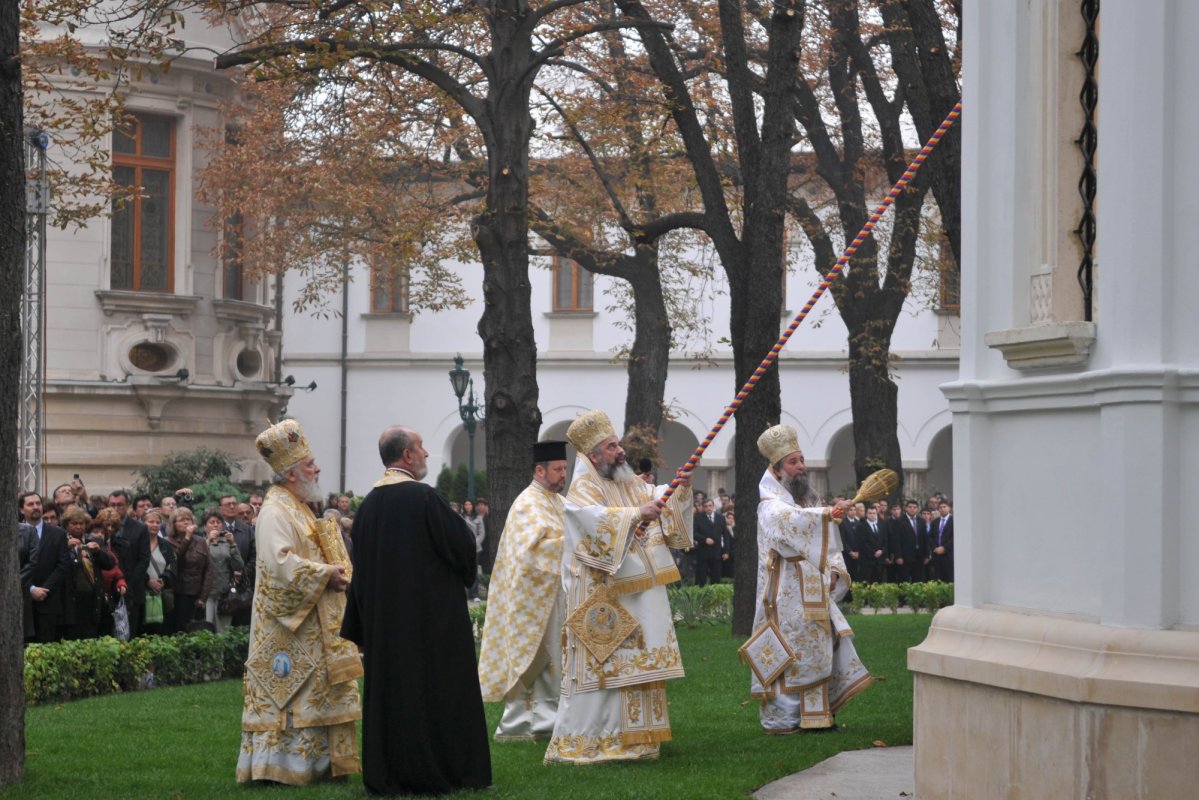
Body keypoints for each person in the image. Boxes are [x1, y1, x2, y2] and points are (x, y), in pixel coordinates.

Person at [340, 426, 491, 795]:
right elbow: (462, 544)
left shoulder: (368, 507)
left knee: (393, 696)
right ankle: (444, 769)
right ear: (407, 456)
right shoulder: (423, 498)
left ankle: (389, 772)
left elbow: (359, 571)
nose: (425, 454)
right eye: (421, 448)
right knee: (433, 694)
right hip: (429, 624)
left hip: (386, 628)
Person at [545, 410, 693, 764]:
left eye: (618, 444)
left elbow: (653, 495)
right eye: (611, 447)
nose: (620, 452)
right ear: (593, 455)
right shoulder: (584, 486)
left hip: (633, 592)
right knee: (604, 665)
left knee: (635, 662)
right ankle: (589, 742)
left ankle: (638, 740)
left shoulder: (625, 480)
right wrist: (635, 515)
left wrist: (680, 487)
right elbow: (587, 519)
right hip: (602, 593)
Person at [237, 419, 362, 786]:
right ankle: (283, 768)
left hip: (313, 622)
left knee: (318, 693)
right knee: (293, 695)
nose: (317, 468)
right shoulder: (276, 510)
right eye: (310, 464)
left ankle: (322, 766)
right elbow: (278, 564)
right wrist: (326, 574)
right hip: (289, 628)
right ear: (291, 474)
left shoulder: (299, 506)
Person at [746, 424, 871, 733]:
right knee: (790, 650)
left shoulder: (809, 502)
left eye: (801, 459)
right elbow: (794, 524)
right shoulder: (770, 506)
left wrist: (834, 572)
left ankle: (818, 716)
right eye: (792, 462)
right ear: (777, 471)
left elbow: (825, 541)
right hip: (783, 594)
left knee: (819, 647)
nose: (800, 466)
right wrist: (830, 513)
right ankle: (784, 718)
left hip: (813, 589)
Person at [477, 440, 569, 741]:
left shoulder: (555, 501)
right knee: (537, 658)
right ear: (539, 470)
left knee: (556, 659)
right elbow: (529, 553)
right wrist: (572, 543)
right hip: (533, 597)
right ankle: (526, 724)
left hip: (552, 593)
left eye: (565, 469)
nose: (563, 475)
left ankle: (553, 720)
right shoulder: (528, 502)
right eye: (558, 469)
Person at [19, 491, 71, 643]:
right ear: (22, 509)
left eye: (38, 503)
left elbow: (63, 565)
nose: (36, 507)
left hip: (48, 602)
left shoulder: (58, 534)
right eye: (30, 504)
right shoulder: (14, 533)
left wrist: (44, 589)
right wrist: (30, 589)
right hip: (22, 601)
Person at [166, 507, 211, 633]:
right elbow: (176, 560)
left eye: (188, 519)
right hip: (177, 592)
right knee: (178, 629)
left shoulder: (201, 541)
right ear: (173, 524)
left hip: (196, 592)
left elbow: (208, 569)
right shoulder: (167, 541)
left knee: (195, 629)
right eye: (181, 520)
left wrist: (203, 596)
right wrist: (186, 538)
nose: (186, 522)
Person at [201, 509, 244, 632]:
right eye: (212, 522)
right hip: (207, 593)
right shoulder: (201, 542)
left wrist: (232, 544)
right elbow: (198, 561)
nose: (215, 524)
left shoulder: (227, 543)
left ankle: (222, 652)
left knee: (223, 630)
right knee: (207, 629)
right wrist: (208, 541)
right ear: (205, 527)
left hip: (224, 594)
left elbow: (239, 565)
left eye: (218, 522)